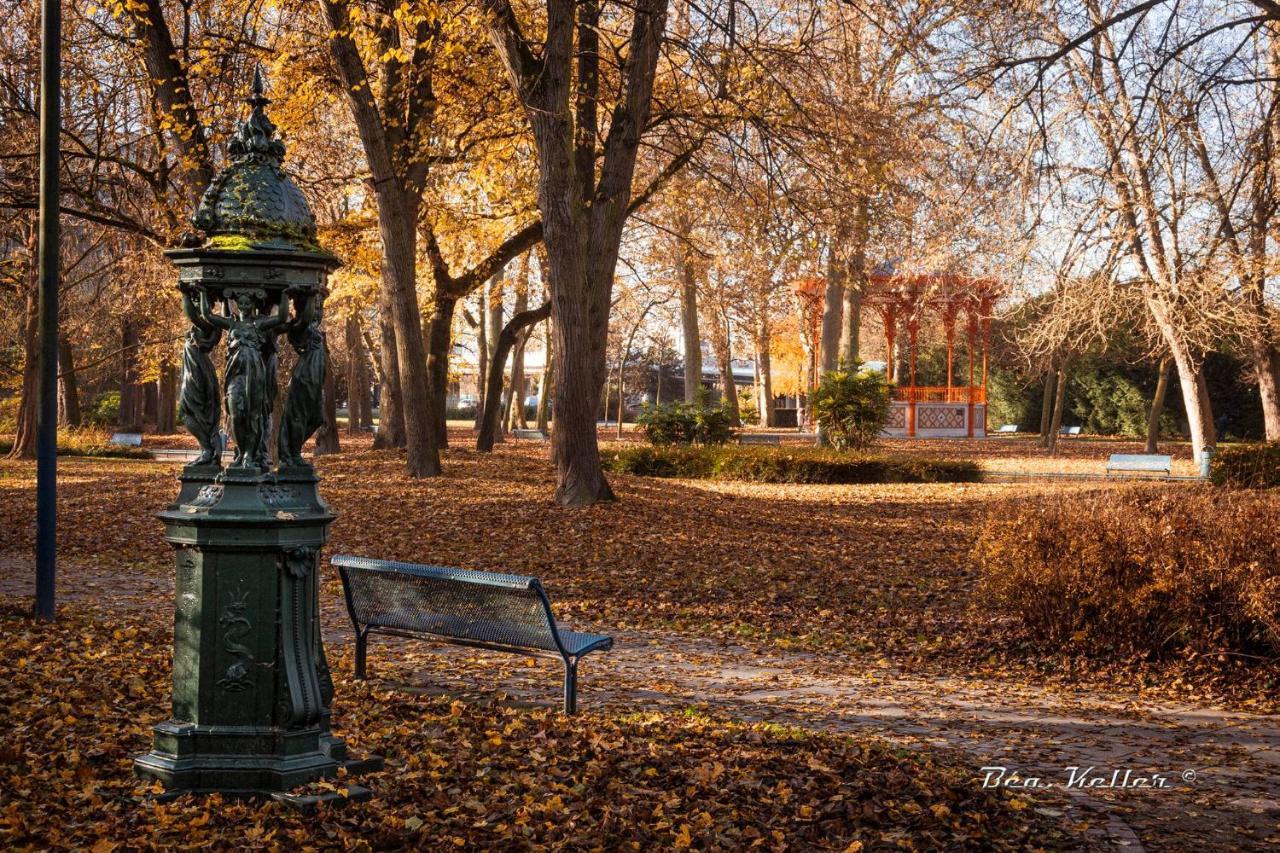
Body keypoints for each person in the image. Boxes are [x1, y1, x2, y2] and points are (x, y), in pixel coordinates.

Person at [202, 290, 287, 469]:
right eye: (241, 303)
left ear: (253, 304)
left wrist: (285, 294)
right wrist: (202, 293)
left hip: (255, 375)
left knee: (253, 415)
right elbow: (208, 315)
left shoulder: (259, 323)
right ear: (237, 304)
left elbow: (281, 317)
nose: (245, 306)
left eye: (248, 303)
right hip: (235, 374)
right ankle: (241, 451)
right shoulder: (231, 323)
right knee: (237, 415)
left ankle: (250, 454)